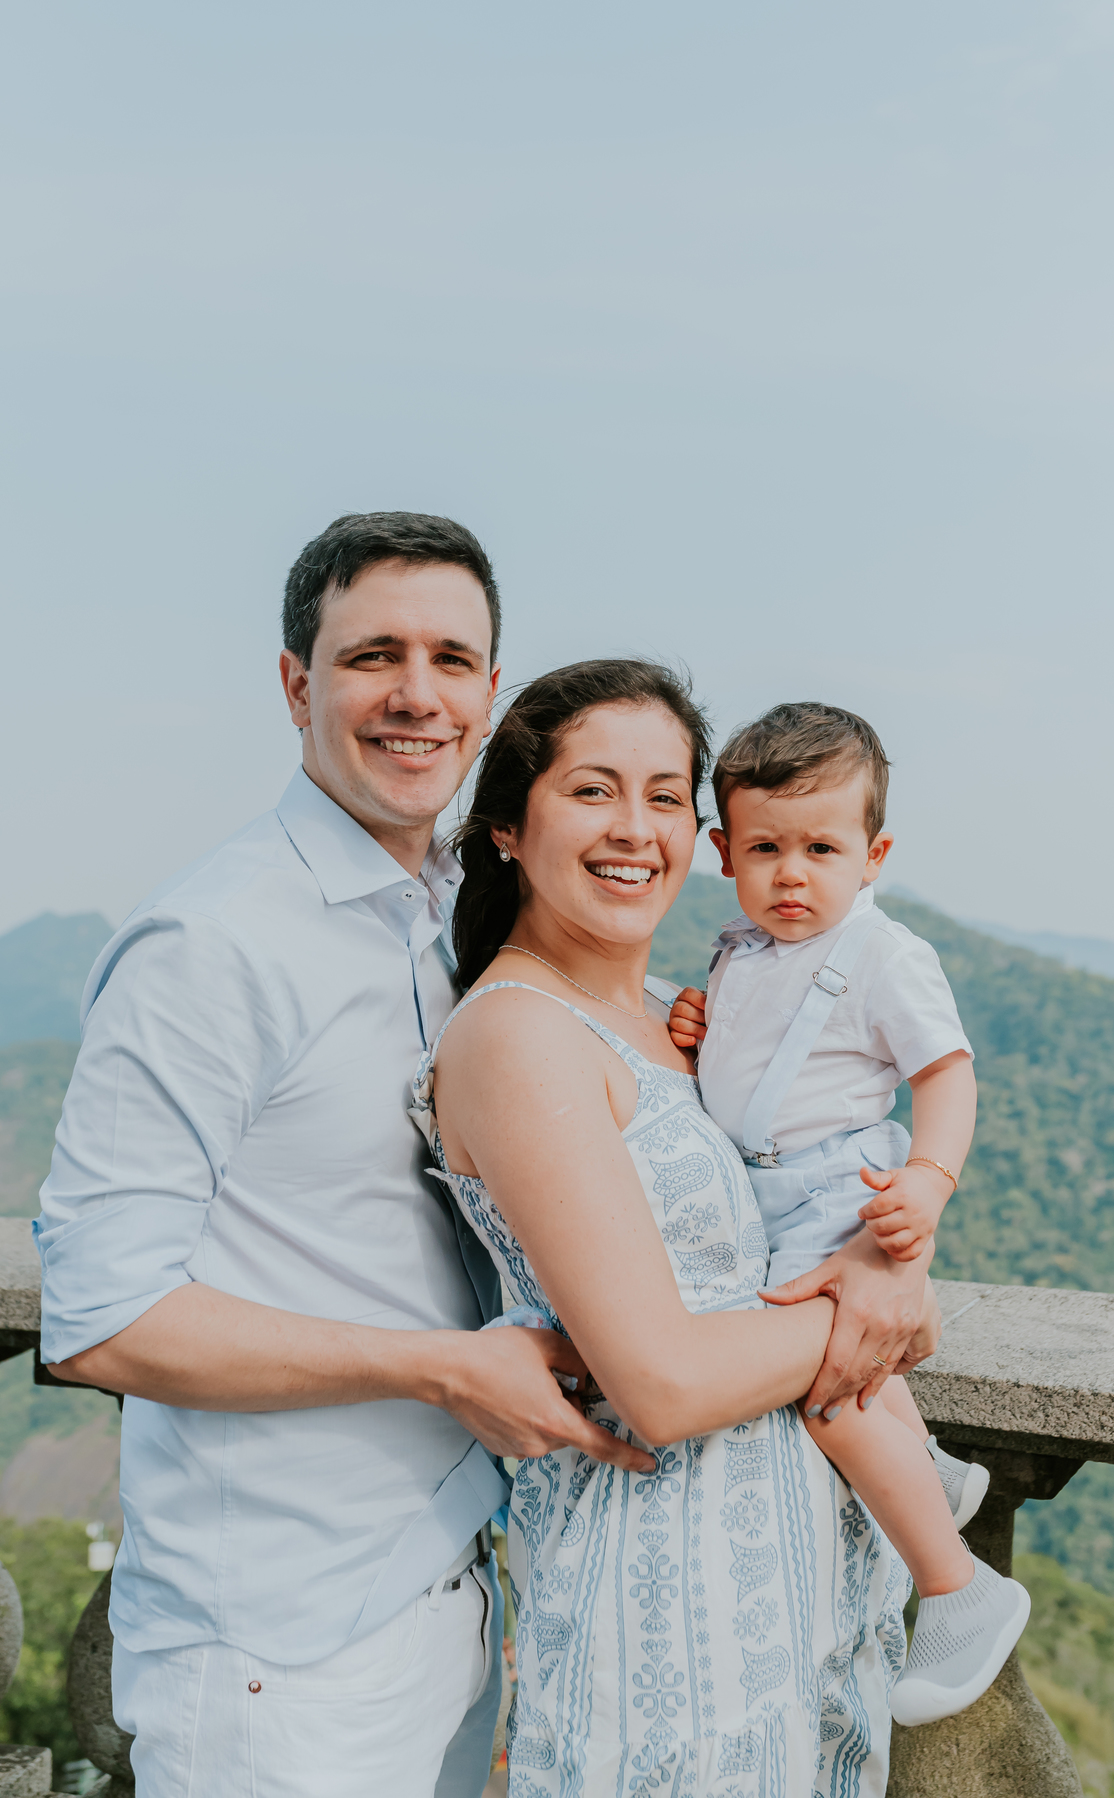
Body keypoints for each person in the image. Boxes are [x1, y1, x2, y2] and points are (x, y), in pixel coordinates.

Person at [34, 512, 653, 1798]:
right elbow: (103, 1318)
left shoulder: (445, 918)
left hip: (451, 1597)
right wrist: (442, 1369)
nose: (416, 694)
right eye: (374, 655)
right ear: (295, 684)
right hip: (282, 1651)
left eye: (450, 659)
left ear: (489, 694)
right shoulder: (211, 945)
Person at [412, 658, 945, 1795]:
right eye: (592, 790)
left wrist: (890, 1247)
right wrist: (871, 1304)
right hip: (665, 1618)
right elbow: (660, 1381)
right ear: (507, 827)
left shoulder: (679, 1018)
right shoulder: (519, 1034)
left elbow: (814, 1178)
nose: (635, 828)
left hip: (795, 1597)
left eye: (664, 795)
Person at [666, 700, 1030, 1726]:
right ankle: (932, 1473)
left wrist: (930, 1180)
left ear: (873, 855)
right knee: (850, 1375)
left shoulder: (882, 953)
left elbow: (945, 1072)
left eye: (821, 849)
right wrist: (700, 1027)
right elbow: (759, 1057)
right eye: (766, 848)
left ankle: (960, 1590)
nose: (793, 874)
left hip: (840, 1189)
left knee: (829, 1387)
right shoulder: (741, 950)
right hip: (770, 1190)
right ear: (723, 852)